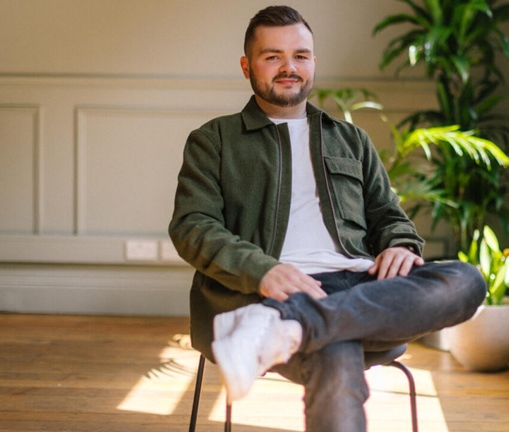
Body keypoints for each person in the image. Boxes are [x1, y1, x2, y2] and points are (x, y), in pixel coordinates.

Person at [169, 5, 486, 431]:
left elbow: (388, 215)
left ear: (313, 62)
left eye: (300, 55)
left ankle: (287, 328)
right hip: (265, 291)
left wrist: (399, 243)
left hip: (358, 286)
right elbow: (193, 226)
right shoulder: (215, 140)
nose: (289, 67)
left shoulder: (350, 139)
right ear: (247, 65)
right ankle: (293, 319)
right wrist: (263, 271)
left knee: (466, 281)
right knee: (336, 353)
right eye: (272, 56)